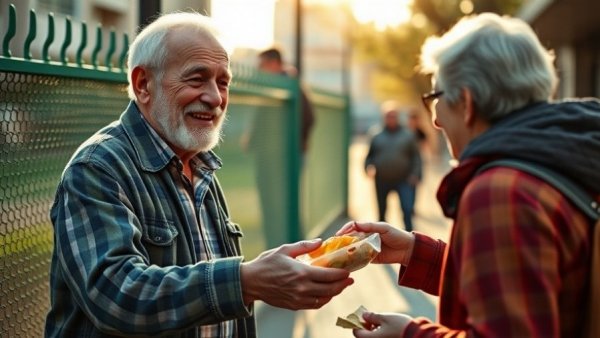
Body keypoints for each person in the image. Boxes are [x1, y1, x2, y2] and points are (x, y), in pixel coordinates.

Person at [44, 12, 353, 337]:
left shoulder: (201, 165)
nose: (216, 98)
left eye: (223, 82)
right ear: (143, 84)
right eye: (196, 79)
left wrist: (251, 278)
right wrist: (245, 281)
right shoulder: (98, 168)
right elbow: (117, 297)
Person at [338, 12, 600, 338]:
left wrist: (410, 333)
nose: (434, 120)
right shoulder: (568, 160)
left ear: (466, 102)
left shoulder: (499, 192)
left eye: (435, 97)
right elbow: (527, 277)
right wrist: (415, 253)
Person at [241, 47, 315, 248]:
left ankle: (290, 244)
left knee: (285, 204)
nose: (259, 69)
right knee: (276, 203)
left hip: (285, 159)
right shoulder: (277, 86)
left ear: (274, 64)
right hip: (271, 157)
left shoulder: (290, 85)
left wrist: (295, 145)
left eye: (262, 65)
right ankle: (280, 243)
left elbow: (308, 118)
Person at [364, 101, 422, 231]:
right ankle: (381, 241)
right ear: (383, 117)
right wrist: (368, 168)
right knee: (382, 212)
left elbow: (416, 157)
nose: (391, 119)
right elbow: (369, 156)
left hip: (404, 179)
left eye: (394, 116)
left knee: (407, 210)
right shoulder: (375, 135)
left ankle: (410, 239)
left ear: (398, 117)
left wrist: (415, 174)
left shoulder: (408, 135)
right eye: (388, 116)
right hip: (382, 180)